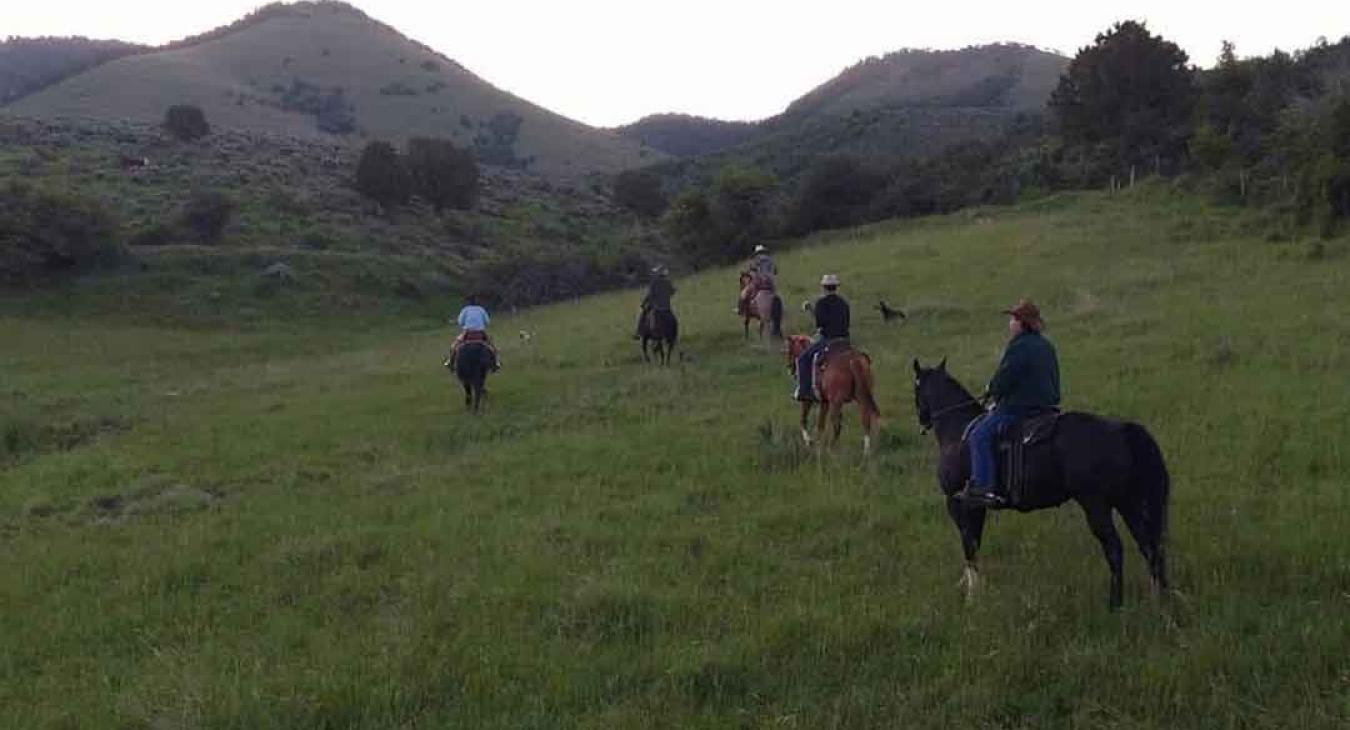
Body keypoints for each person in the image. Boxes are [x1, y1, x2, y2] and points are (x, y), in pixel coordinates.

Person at [957, 299, 1061, 507]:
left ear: (1023, 323)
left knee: (979, 435)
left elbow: (1005, 378)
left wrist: (990, 390)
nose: (1010, 323)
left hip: (1019, 408)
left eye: (1013, 319)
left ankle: (983, 486)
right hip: (1048, 409)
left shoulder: (1019, 347)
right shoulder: (1046, 345)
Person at [794, 274, 850, 401]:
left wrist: (811, 310)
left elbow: (820, 324)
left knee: (803, 358)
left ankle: (805, 390)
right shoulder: (844, 303)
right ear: (836, 287)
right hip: (845, 341)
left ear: (824, 287)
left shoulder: (821, 303)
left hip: (829, 340)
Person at [447, 294, 500, 371]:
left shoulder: (465, 310)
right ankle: (495, 363)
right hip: (480, 332)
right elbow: (487, 322)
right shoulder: (481, 309)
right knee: (492, 347)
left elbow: (460, 322)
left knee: (454, 347)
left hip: (467, 332)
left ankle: (450, 363)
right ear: (477, 301)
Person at [635, 265, 676, 339]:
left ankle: (639, 332)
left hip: (656, 307)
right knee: (673, 319)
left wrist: (643, 304)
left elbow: (650, 295)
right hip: (666, 307)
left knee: (643, 314)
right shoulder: (668, 282)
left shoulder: (654, 283)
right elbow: (672, 292)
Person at [738, 244, 777, 315]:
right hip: (771, 285)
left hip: (759, 284)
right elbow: (775, 271)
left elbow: (750, 271)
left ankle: (741, 310)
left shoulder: (755, 260)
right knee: (776, 296)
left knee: (743, 294)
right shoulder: (771, 260)